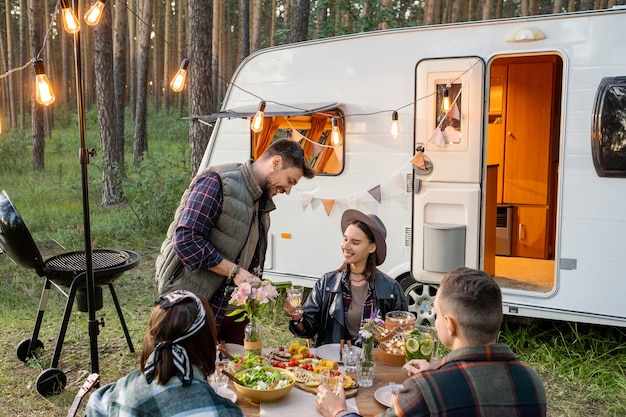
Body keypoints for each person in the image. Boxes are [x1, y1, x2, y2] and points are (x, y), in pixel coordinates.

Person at [315, 267, 547, 417]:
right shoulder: (531, 381)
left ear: (450, 325)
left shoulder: (427, 389)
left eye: (436, 314)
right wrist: (436, 371)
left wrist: (339, 411)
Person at [155, 139, 315, 344]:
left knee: (236, 373)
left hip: (231, 312)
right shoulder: (219, 181)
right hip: (190, 307)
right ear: (275, 162)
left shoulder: (263, 204)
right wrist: (235, 271)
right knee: (187, 374)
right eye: (290, 180)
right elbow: (187, 240)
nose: (288, 190)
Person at [85, 290, 244, 417]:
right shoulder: (223, 412)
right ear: (208, 341)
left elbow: (95, 403)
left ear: (151, 337)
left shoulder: (112, 396)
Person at [285, 209, 407, 347]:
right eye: (345, 239)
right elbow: (308, 330)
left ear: (372, 248)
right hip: (333, 363)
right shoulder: (327, 283)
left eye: (355, 242)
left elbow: (401, 334)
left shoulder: (391, 289)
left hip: (372, 364)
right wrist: (297, 318)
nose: (346, 246)